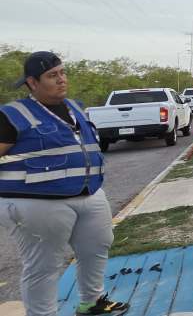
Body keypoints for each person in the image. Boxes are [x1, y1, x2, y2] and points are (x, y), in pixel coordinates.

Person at [0, 52, 129, 316]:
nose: (61, 79)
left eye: (62, 72)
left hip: (88, 194)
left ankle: (92, 302)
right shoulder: (12, 115)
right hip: (36, 202)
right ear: (32, 83)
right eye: (52, 75)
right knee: (43, 266)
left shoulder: (75, 107)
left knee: (97, 246)